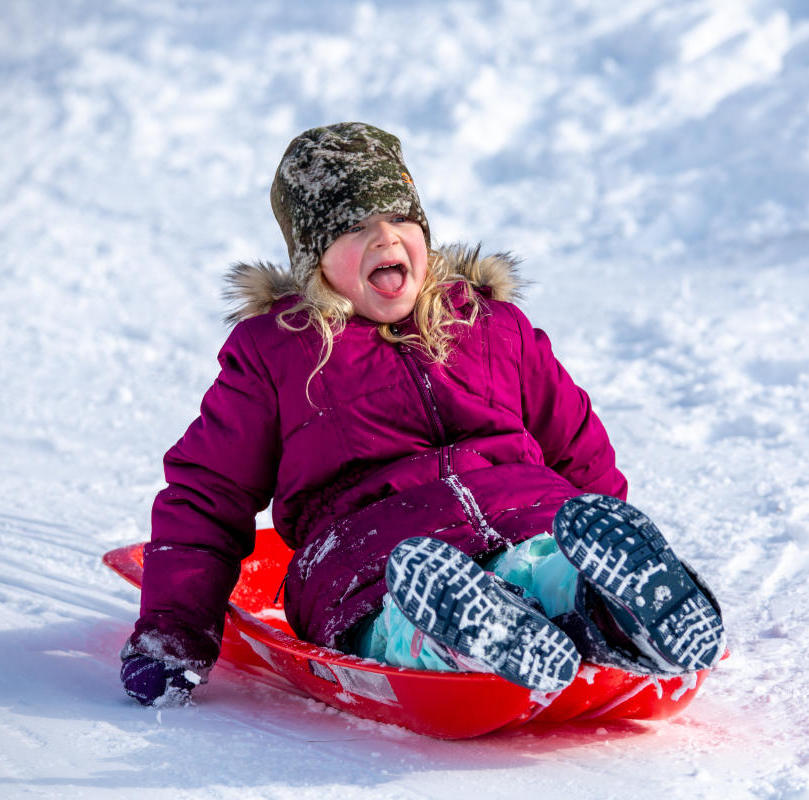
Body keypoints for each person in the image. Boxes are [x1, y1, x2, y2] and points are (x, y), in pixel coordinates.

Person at [120, 122, 725, 706]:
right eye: (354, 226)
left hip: (523, 520)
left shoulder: (490, 325)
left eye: (400, 217)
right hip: (373, 562)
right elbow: (208, 493)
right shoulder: (281, 349)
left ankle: (615, 611)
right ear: (315, 259)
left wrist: (607, 530)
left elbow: (576, 446)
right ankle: (456, 636)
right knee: (401, 611)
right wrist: (173, 633)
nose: (386, 238)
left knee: (548, 568)